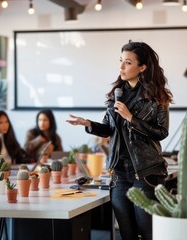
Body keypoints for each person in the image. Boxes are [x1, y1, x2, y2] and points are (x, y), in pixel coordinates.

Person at [66, 41, 173, 240]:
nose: (121, 67)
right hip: (119, 174)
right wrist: (87, 123)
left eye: (128, 62)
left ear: (142, 67)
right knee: (126, 232)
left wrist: (131, 118)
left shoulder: (157, 97)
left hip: (146, 173)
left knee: (147, 231)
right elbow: (108, 130)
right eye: (121, 61)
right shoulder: (116, 94)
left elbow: (161, 132)